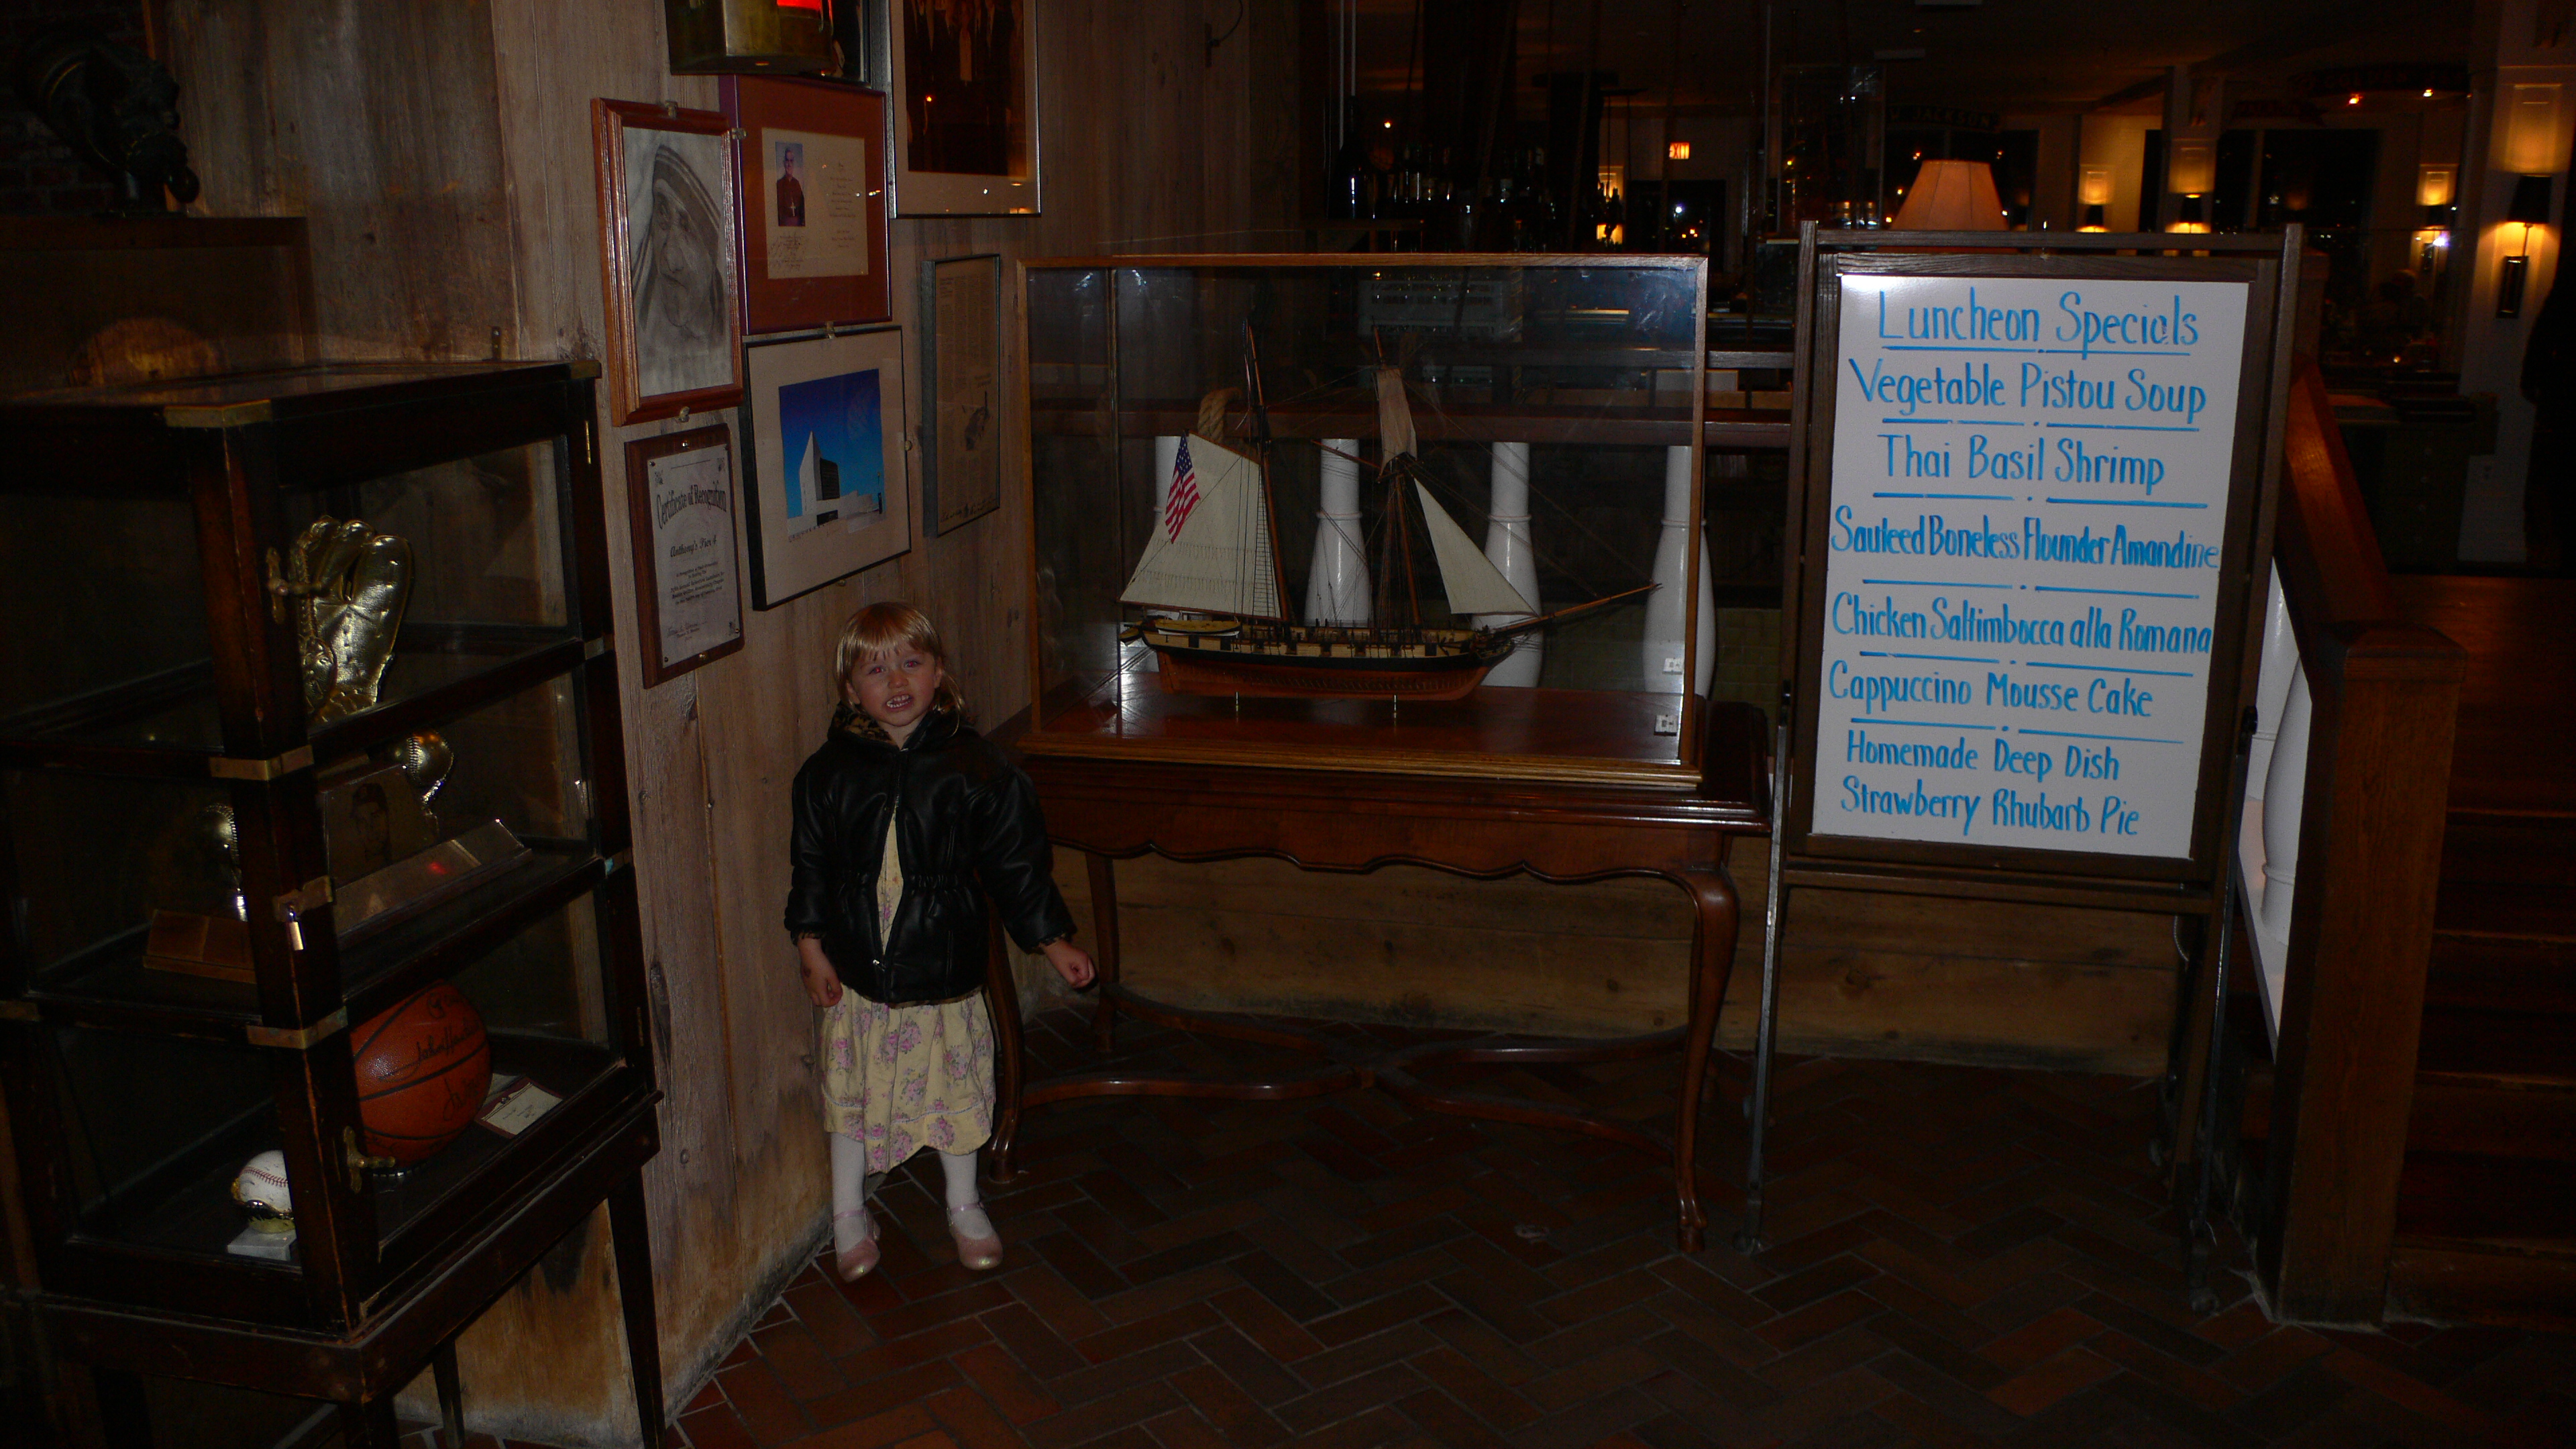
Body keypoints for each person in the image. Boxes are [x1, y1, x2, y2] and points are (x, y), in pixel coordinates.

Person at [784, 602, 1094, 1281]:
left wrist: (1052, 941)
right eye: (876, 670)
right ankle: (847, 1213)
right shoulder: (827, 773)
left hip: (942, 965)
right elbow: (810, 866)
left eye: (911, 663)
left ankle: (963, 1202)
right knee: (853, 1092)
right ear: (850, 690)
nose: (896, 681)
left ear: (938, 672)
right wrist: (810, 945)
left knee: (957, 1084)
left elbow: (1016, 865)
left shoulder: (974, 767)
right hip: (860, 971)